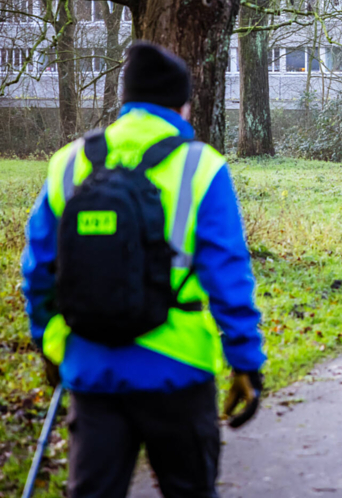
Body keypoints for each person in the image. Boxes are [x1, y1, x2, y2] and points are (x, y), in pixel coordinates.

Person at [22, 42, 265, 498]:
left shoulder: (68, 162)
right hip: (178, 372)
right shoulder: (200, 166)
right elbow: (228, 278)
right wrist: (246, 364)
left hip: (91, 369)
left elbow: (37, 272)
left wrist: (51, 346)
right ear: (182, 104)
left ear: (127, 99)